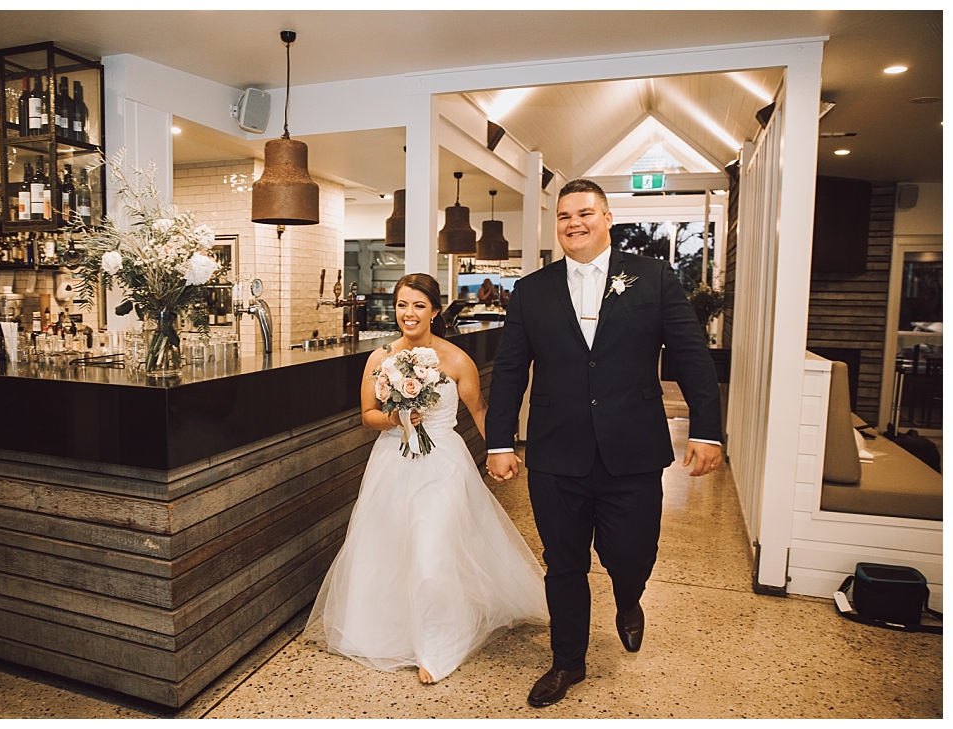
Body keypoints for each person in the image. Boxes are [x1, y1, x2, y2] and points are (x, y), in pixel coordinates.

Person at [485, 179, 722, 708]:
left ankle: (629, 596)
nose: (574, 223)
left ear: (608, 218)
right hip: (556, 451)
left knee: (632, 553)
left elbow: (690, 355)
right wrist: (499, 441)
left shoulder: (653, 277)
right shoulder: (532, 290)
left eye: (585, 213)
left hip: (633, 448)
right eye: (564, 215)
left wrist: (706, 429)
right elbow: (510, 370)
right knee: (564, 562)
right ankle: (568, 661)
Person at [307, 273, 548, 685]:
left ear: (435, 311)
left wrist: (500, 450)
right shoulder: (379, 358)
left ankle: (438, 644)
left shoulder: (456, 359)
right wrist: (397, 419)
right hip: (392, 461)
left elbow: (479, 410)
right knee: (387, 550)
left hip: (443, 463)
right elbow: (367, 416)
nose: (409, 313)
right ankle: (390, 631)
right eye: (402, 305)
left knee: (433, 552)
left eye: (419, 305)